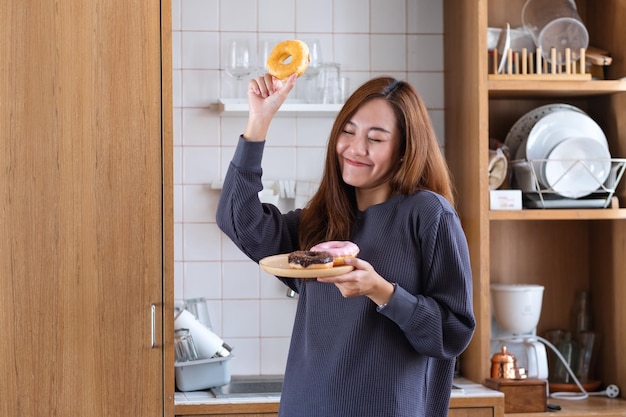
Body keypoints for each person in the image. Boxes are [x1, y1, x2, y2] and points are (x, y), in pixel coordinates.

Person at [216, 73, 475, 417]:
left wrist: (382, 291)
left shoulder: (429, 215)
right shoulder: (322, 221)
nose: (355, 148)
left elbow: (453, 334)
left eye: (376, 138)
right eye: (348, 132)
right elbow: (238, 221)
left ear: (404, 149)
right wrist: (259, 121)